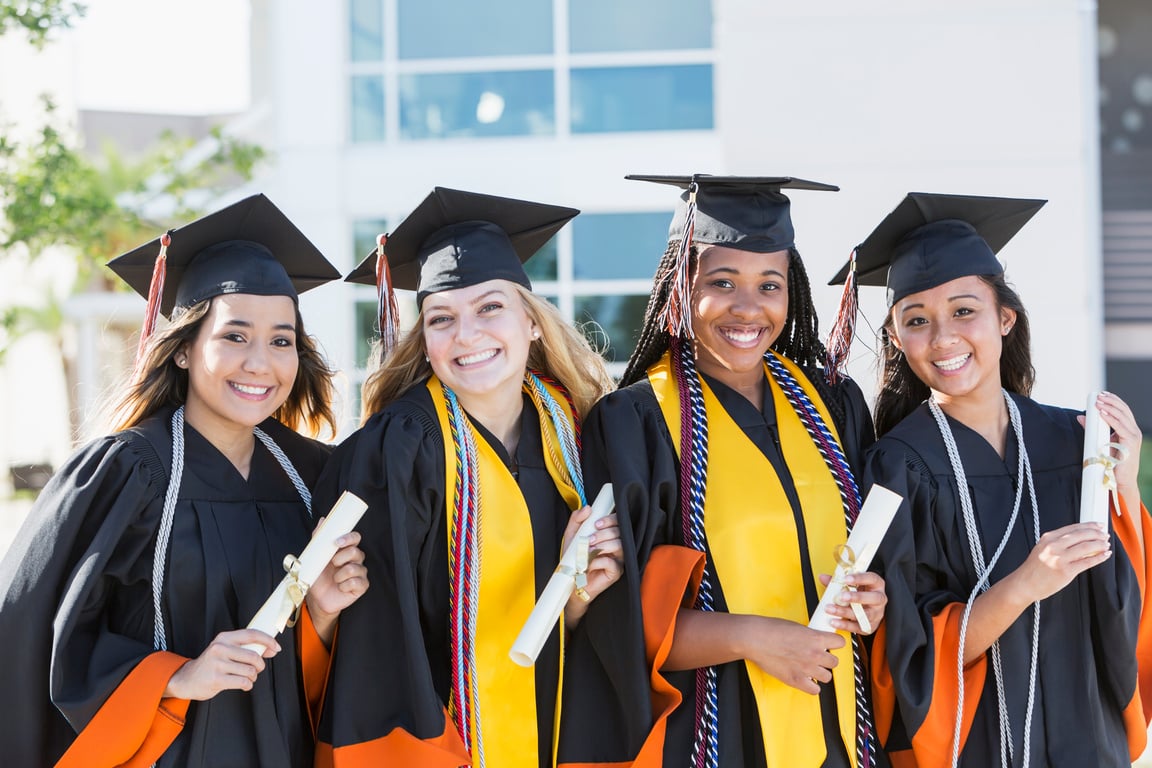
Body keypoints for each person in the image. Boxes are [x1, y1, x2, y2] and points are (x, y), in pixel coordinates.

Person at [0, 194, 369, 768]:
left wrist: (320, 615)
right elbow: (37, 639)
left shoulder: (313, 477)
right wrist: (177, 677)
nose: (260, 363)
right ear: (183, 350)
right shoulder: (124, 473)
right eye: (234, 336)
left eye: (281, 340)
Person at [579, 174, 889, 768]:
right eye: (722, 282)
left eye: (769, 285)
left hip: (838, 733)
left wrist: (876, 603)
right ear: (679, 286)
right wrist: (752, 636)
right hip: (713, 736)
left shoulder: (833, 403)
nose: (749, 308)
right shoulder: (635, 424)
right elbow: (619, 620)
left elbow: (877, 564)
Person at [834, 192, 1152, 767]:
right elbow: (906, 657)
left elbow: (1126, 608)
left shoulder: (1072, 442)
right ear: (896, 340)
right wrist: (1025, 584)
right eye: (917, 321)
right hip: (975, 747)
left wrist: (1124, 487)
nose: (943, 338)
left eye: (964, 310)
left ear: (1004, 318)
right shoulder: (896, 467)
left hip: (1088, 741)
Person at [310, 187, 622, 768]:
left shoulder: (579, 438)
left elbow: (601, 635)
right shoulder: (396, 451)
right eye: (442, 319)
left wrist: (581, 598)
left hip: (560, 739)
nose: (468, 335)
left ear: (531, 323)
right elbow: (379, 650)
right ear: (425, 343)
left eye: (490, 308)